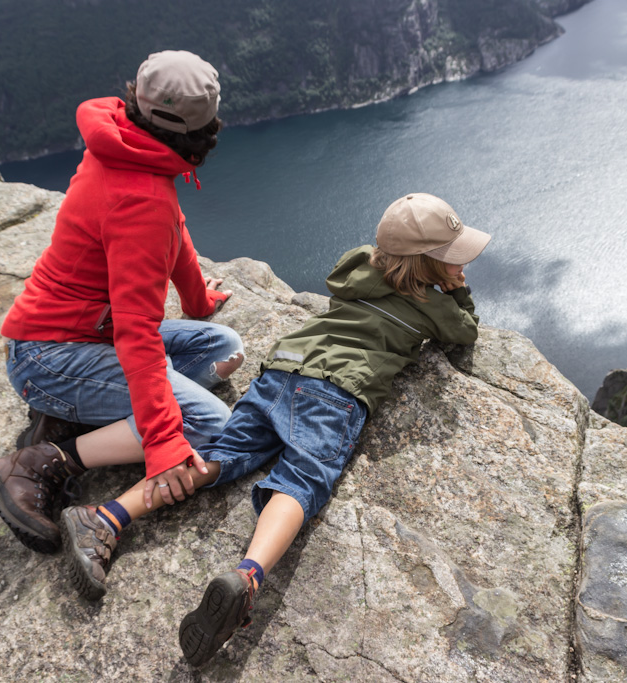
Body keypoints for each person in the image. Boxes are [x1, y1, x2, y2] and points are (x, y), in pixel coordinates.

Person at [56, 192, 491, 666]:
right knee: (301, 481)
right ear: (428, 265)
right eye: (452, 259)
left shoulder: (358, 273)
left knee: (217, 457)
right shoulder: (433, 304)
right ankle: (247, 578)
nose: (460, 264)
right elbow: (465, 332)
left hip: (280, 372)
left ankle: (105, 518)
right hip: (334, 392)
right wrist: (456, 290)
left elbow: (372, 263)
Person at [0, 50, 245, 556]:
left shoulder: (122, 142)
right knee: (209, 425)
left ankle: (75, 412)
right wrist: (164, 443)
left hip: (74, 337)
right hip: (50, 356)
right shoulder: (141, 198)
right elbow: (137, 332)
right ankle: (42, 461)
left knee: (220, 346)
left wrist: (196, 299)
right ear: (205, 127)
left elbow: (175, 230)